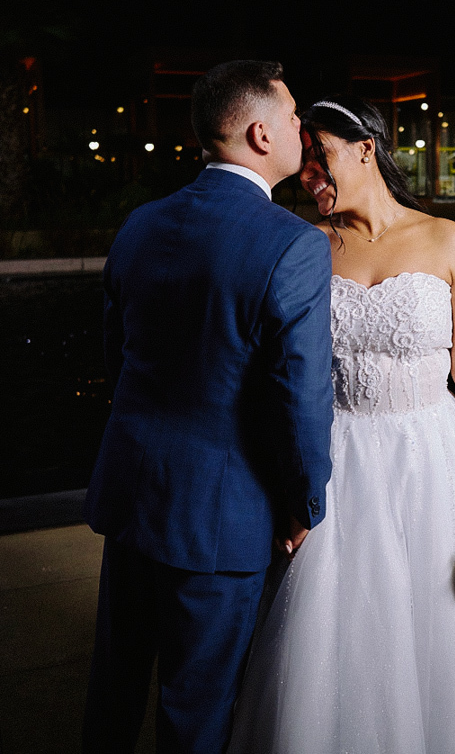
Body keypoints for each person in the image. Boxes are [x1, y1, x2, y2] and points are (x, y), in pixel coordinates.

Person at [227, 94, 455, 754]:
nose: (310, 176)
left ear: (367, 147)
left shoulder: (446, 239)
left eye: (323, 158)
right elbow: (276, 372)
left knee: (438, 620)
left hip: (433, 456)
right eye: (303, 164)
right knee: (339, 624)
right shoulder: (306, 245)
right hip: (337, 458)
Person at [82, 60, 334, 754]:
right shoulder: (293, 245)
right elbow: (301, 398)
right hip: (220, 518)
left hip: (132, 491)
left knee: (114, 689)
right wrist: (304, 503)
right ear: (259, 133)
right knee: (196, 709)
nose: (300, 133)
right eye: (290, 120)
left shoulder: (140, 224)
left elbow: (118, 357)